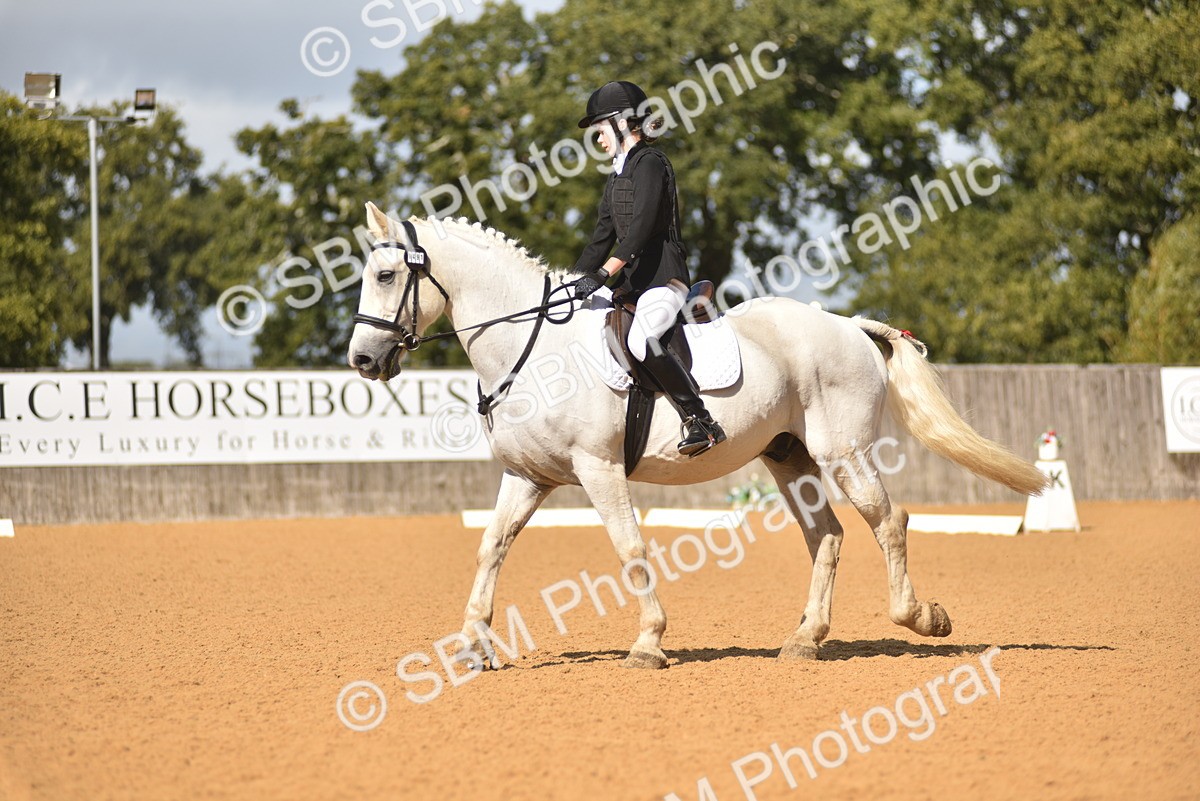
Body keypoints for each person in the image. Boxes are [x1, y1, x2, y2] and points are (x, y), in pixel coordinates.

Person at [572, 80, 726, 458]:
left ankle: (700, 419)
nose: (598, 138)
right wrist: (570, 283)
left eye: (601, 129)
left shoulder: (651, 164)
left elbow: (639, 231)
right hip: (631, 284)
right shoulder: (616, 176)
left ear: (623, 123)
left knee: (642, 340)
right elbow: (600, 238)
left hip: (664, 280)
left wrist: (603, 274)